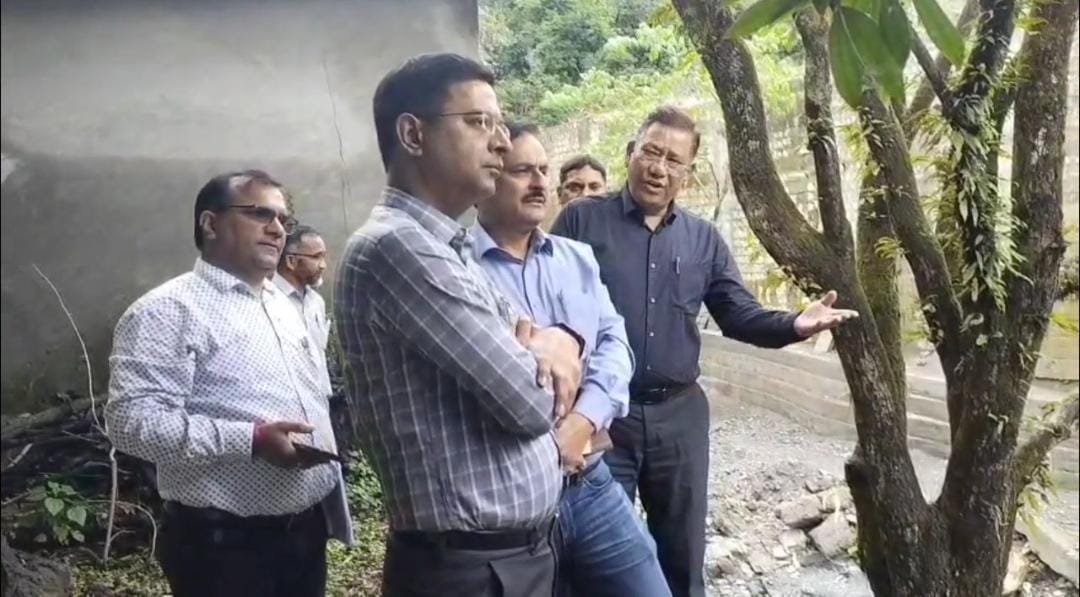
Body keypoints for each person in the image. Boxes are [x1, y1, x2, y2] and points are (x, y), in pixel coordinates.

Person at [551, 106, 858, 597]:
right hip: (605, 419)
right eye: (651, 152)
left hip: (679, 419)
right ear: (631, 154)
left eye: (673, 160)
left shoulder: (703, 240)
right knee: (596, 559)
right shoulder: (581, 221)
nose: (658, 168)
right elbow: (546, 299)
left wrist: (795, 324)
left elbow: (737, 313)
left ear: (688, 175)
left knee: (682, 555)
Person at [334, 53, 585, 597]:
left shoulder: (449, 246)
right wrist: (547, 349)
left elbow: (526, 331)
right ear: (413, 134)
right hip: (469, 572)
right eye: (478, 122)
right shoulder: (399, 249)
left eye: (500, 125)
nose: (502, 143)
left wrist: (555, 339)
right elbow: (531, 401)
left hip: (505, 558)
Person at [106, 170, 352, 597]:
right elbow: (132, 424)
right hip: (223, 548)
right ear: (210, 223)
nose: (277, 229)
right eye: (260, 214)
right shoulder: (168, 311)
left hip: (305, 533)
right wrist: (251, 440)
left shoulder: (281, 303)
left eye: (284, 220)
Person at [473, 122, 671, 597]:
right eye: (522, 170)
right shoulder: (457, 269)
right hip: (512, 497)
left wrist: (583, 421)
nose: (539, 183)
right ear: (487, 179)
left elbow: (615, 345)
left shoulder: (575, 258)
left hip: (591, 482)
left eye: (544, 170)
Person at [274, 224, 330, 352]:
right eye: (316, 257)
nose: (323, 265)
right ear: (291, 261)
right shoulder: (268, 300)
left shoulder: (316, 301)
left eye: (323, 257)